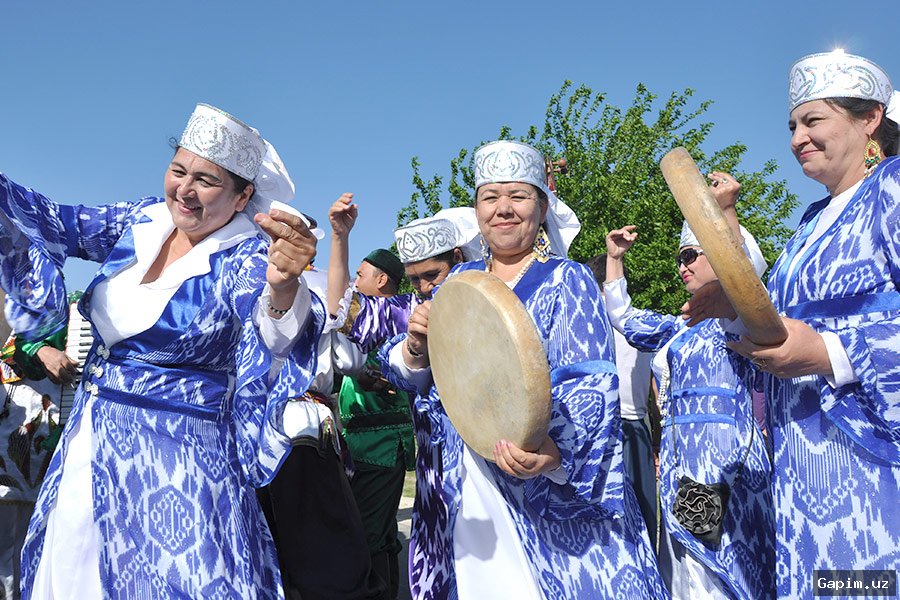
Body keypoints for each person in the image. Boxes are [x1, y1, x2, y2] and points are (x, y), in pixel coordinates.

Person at [0, 103, 324, 599]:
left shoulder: (247, 255)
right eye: (178, 171)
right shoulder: (141, 219)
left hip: (184, 460)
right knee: (76, 570)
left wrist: (282, 289)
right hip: (93, 438)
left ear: (242, 198)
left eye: (206, 180)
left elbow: (275, 333)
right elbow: (55, 222)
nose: (185, 190)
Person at [381, 140, 665, 599]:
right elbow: (418, 376)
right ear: (476, 212)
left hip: (544, 474)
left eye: (518, 196)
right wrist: (416, 347)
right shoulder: (458, 282)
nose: (503, 209)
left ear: (542, 205)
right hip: (471, 474)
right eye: (490, 198)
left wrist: (555, 452)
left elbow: (591, 383)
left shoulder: (566, 279)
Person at [685, 51, 900, 597]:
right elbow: (770, 316)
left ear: (869, 118)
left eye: (813, 121)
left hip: (869, 459)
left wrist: (832, 352)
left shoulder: (893, 190)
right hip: (799, 455)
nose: (797, 137)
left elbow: (825, 340)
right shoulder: (809, 222)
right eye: (791, 126)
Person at [605, 174, 775, 599]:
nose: (681, 266)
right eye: (679, 256)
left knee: (723, 574)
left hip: (726, 466)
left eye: (691, 255)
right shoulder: (679, 328)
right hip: (682, 468)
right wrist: (614, 259)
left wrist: (723, 213)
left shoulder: (741, 319)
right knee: (683, 572)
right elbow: (624, 317)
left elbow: (744, 286)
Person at [335, 248, 414, 600]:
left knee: (371, 535)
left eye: (361, 275)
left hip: (381, 447)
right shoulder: (371, 319)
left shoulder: (399, 317)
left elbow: (399, 376)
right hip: (361, 447)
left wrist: (370, 376)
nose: (355, 281)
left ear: (382, 280)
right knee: (370, 531)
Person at [584, 254, 657, 546]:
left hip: (604, 431)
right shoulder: (641, 323)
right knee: (644, 522)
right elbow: (656, 393)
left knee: (609, 528)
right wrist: (657, 443)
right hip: (639, 428)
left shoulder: (588, 323)